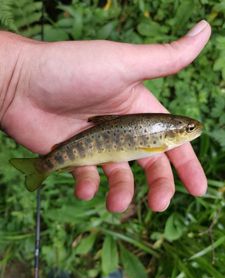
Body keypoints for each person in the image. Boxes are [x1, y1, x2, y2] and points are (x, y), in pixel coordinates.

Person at [0, 20, 211, 213]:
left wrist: (16, 75)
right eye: (190, 128)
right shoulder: (160, 143)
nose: (194, 129)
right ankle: (41, 167)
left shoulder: (163, 140)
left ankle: (42, 167)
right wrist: (16, 75)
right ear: (173, 132)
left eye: (190, 128)